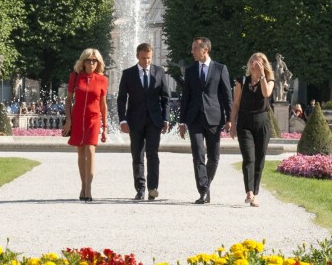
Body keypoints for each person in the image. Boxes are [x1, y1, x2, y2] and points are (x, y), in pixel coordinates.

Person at [179, 37, 232, 204]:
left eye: (195, 48)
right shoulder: (190, 70)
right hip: (194, 118)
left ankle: (206, 185)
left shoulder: (220, 69)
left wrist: (230, 118)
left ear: (205, 50)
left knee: (214, 157)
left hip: (214, 118)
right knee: (198, 155)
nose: (192, 51)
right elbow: (185, 97)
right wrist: (181, 121)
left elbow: (226, 96)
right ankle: (203, 190)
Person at [117, 42, 170, 201]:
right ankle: (140, 189)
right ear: (137, 56)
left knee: (153, 154)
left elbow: (165, 98)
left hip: (154, 120)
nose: (146, 61)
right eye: (143, 58)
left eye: (149, 58)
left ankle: (153, 188)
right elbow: (121, 99)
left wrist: (165, 118)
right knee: (137, 155)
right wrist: (122, 120)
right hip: (134, 120)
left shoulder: (159, 72)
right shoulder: (128, 74)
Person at [62, 48, 108, 202]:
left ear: (98, 62)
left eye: (94, 60)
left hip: (93, 118)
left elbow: (103, 105)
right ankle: (83, 186)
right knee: (81, 152)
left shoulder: (102, 79)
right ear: (83, 61)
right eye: (88, 60)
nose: (91, 63)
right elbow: (68, 100)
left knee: (90, 149)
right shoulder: (75, 77)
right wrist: (68, 120)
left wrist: (105, 127)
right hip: (77, 118)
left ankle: (88, 188)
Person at [230, 53, 275, 208]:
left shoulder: (269, 80)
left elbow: (266, 93)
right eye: (252, 61)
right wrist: (232, 123)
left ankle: (255, 194)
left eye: (258, 62)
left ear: (264, 65)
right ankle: (249, 191)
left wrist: (262, 76)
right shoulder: (241, 81)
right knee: (249, 157)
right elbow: (235, 104)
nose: (254, 64)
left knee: (260, 159)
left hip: (262, 122)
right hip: (245, 122)